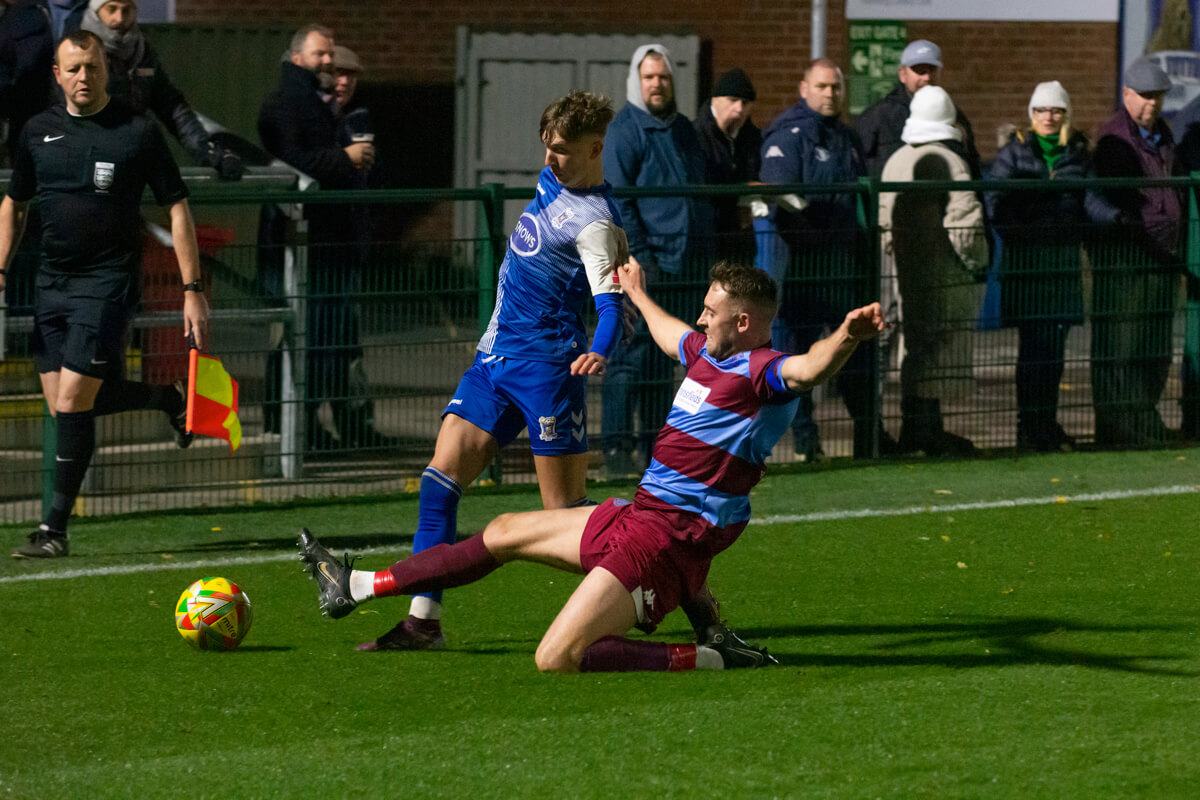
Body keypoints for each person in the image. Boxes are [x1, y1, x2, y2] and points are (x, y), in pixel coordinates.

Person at [298, 258, 884, 673]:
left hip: (663, 541)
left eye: (711, 312)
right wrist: (635, 293)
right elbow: (668, 333)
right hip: (640, 515)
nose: (701, 321)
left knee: (557, 658)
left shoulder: (763, 370)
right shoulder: (707, 353)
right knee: (502, 529)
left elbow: (809, 368)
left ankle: (709, 656)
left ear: (745, 323)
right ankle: (354, 586)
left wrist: (847, 337)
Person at [354, 90, 629, 652]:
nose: (550, 159)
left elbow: (610, 304)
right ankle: (421, 623)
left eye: (562, 151)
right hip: (493, 359)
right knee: (438, 485)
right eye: (547, 148)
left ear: (596, 149)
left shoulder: (596, 223)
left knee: (564, 518)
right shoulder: (552, 179)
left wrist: (599, 348)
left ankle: (648, 571)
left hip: (548, 372)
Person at [1, 30, 208, 558]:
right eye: (72, 69)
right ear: (57, 74)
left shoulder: (136, 133)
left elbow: (177, 207)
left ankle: (54, 531)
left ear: (105, 69)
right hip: (52, 284)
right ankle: (164, 398)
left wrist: (192, 288)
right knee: (66, 406)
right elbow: (14, 203)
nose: (83, 77)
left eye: (91, 67)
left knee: (72, 400)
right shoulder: (36, 132)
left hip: (107, 284)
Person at [757, 57, 891, 461]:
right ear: (804, 88)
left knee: (855, 351)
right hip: (800, 268)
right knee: (797, 361)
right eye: (822, 86)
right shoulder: (789, 134)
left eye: (835, 86)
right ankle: (806, 442)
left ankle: (869, 438)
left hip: (842, 267)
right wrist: (814, 238)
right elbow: (779, 196)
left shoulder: (847, 138)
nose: (830, 93)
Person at [258, 24, 377, 451]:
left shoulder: (330, 111)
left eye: (337, 61)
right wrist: (344, 158)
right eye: (323, 56)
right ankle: (291, 426)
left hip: (333, 244)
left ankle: (321, 425)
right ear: (296, 57)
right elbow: (294, 162)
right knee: (301, 339)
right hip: (302, 246)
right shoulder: (287, 105)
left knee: (330, 340)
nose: (332, 68)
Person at [986, 81, 1118, 452]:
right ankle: (1030, 426)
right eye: (1042, 110)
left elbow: (1092, 200)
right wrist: (1027, 224)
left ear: (1066, 114)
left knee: (1055, 349)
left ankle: (1045, 423)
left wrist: (1115, 218)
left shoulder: (1077, 154)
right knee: (1033, 349)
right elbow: (997, 204)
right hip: (1029, 262)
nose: (1049, 116)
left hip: (1062, 261)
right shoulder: (1013, 153)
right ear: (1031, 114)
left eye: (1056, 110)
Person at [600, 43, 712, 479]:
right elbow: (620, 203)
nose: (657, 84)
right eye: (649, 77)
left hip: (684, 264)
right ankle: (614, 450)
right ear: (637, 80)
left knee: (665, 361)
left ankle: (652, 446)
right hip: (643, 266)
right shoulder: (625, 130)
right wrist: (639, 259)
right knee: (630, 357)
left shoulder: (684, 130)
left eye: (663, 77)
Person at [879, 86, 988, 456]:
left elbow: (883, 223)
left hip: (904, 272)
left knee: (916, 347)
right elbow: (965, 226)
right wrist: (977, 264)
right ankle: (927, 430)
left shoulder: (895, 159)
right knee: (939, 352)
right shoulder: (951, 162)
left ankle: (917, 427)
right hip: (945, 271)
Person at [1091, 57, 1183, 447]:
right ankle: (1120, 425)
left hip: (1163, 254)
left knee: (1156, 345)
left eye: (1158, 96)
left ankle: (1144, 417)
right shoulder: (1113, 139)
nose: (1153, 104)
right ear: (1126, 94)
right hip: (1126, 257)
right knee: (1122, 345)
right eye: (1145, 96)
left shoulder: (1163, 135)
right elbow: (1105, 197)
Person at [77, 0, 241, 178]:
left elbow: (172, 107)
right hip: (89, 166)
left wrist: (208, 153)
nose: (120, 18)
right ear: (96, 11)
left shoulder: (142, 53)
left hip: (130, 161)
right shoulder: (77, 52)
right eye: (112, 9)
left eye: (127, 10)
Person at [855, 39, 980, 179]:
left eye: (932, 70)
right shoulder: (877, 116)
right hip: (896, 198)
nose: (927, 77)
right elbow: (860, 168)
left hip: (946, 197)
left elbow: (972, 164)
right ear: (903, 74)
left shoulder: (955, 115)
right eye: (919, 71)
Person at [693, 67, 761, 263]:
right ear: (715, 100)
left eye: (745, 103)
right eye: (732, 100)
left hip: (739, 240)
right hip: (705, 238)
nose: (739, 109)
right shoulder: (694, 137)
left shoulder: (753, 138)